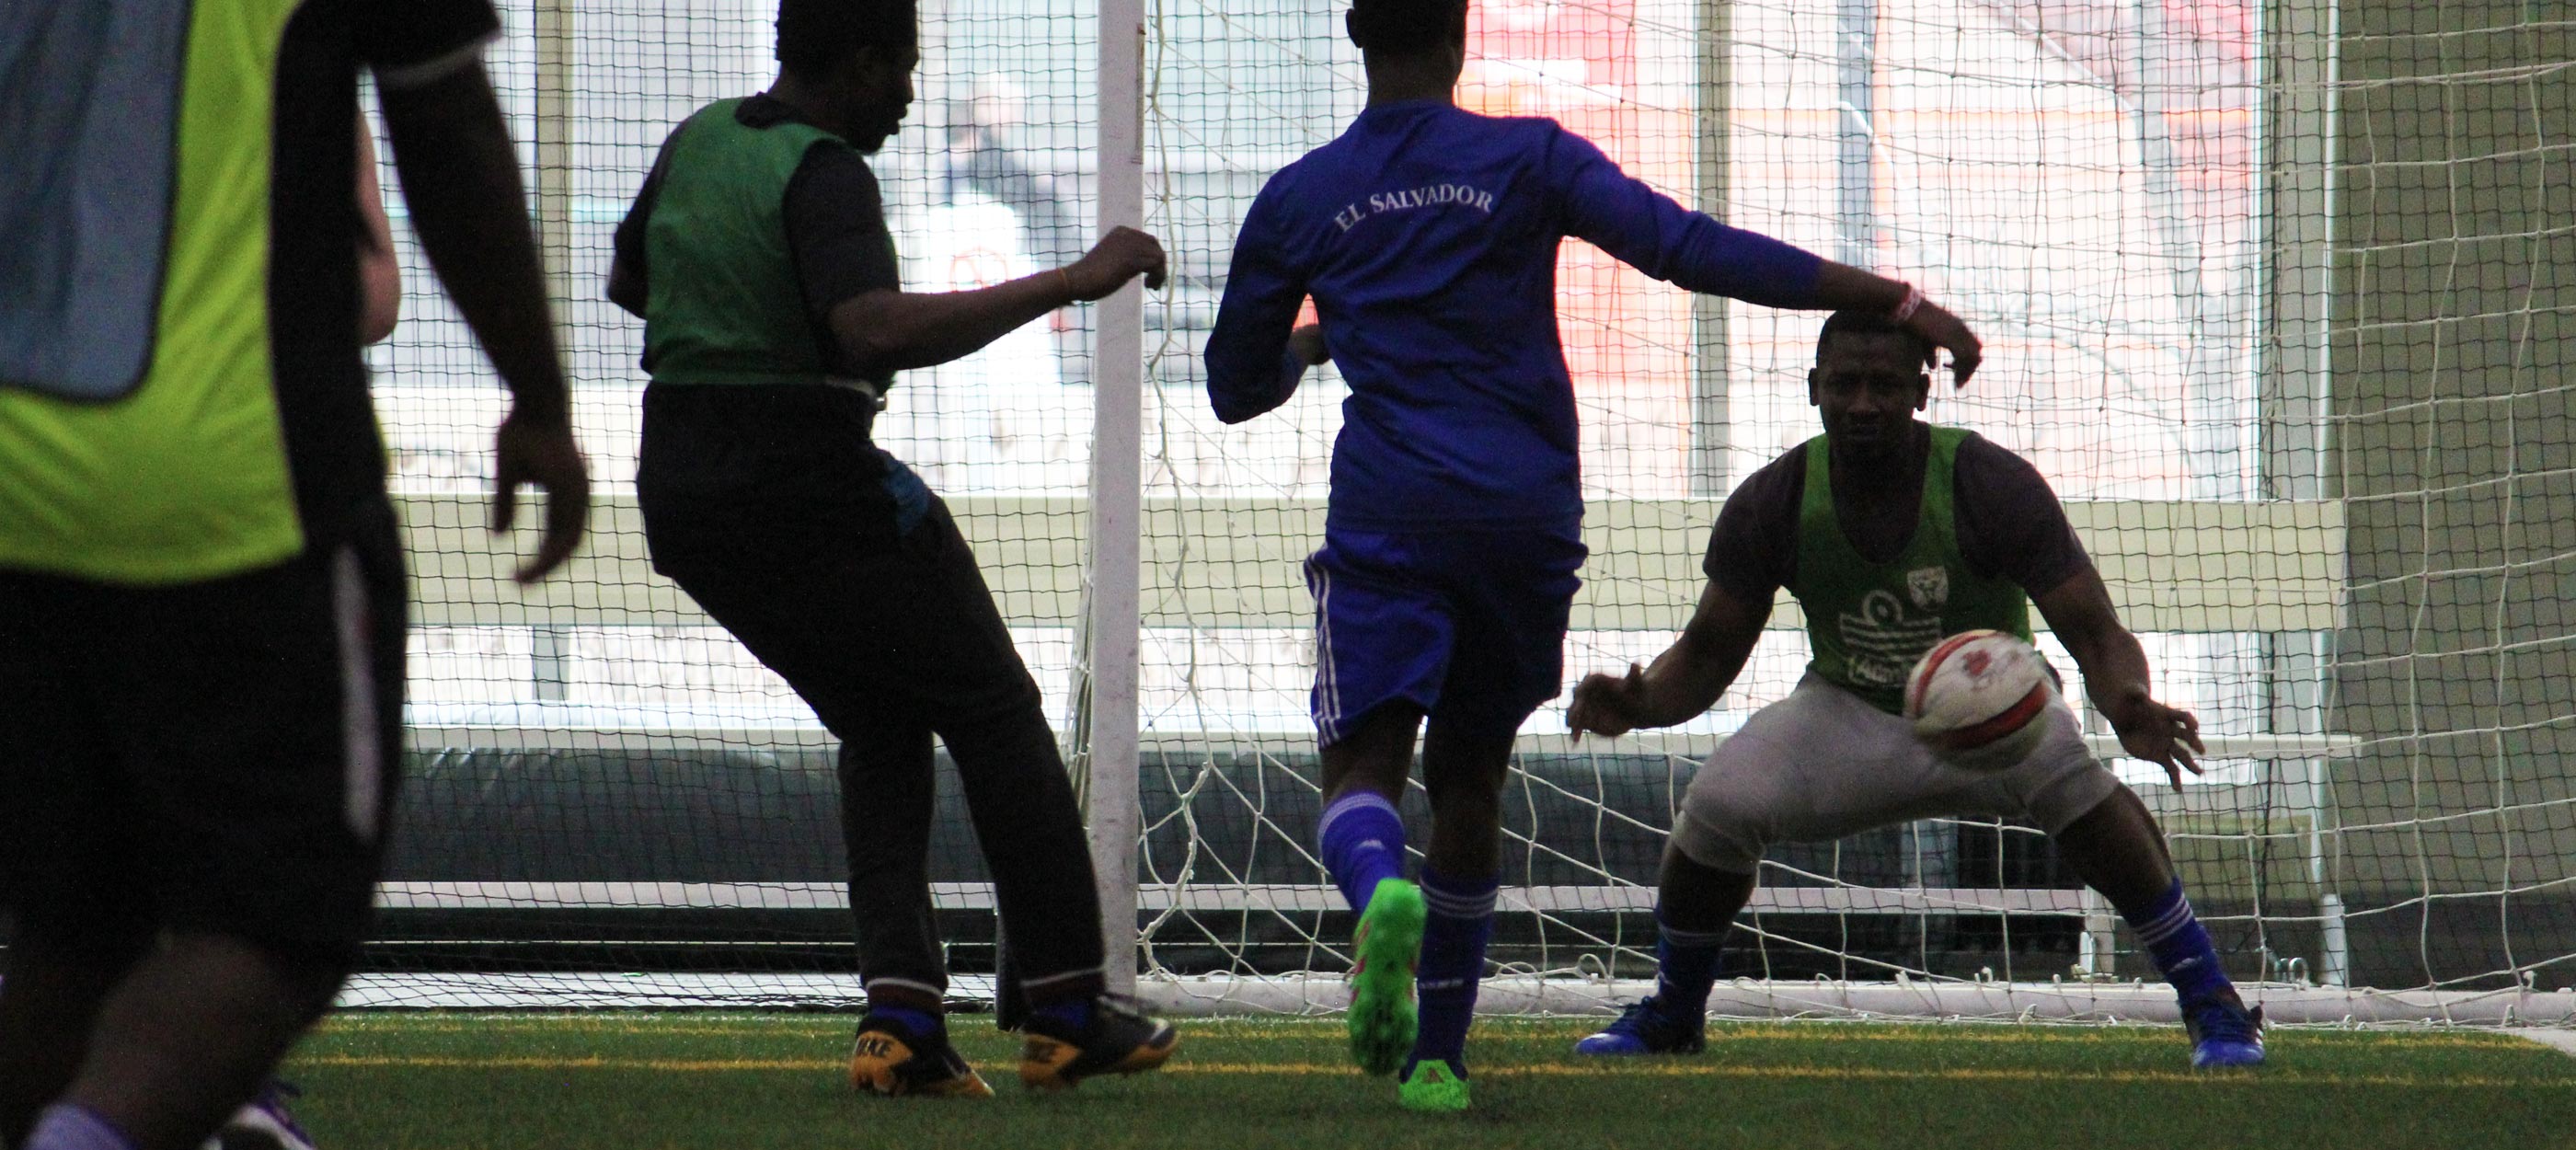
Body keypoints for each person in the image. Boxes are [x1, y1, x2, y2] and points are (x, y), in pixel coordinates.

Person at [1202, 0, 1982, 1113]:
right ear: (1459, 34)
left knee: (1361, 769)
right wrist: (1890, 298)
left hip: (1393, 513)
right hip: (1524, 514)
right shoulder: (1527, 157)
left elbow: (1236, 390)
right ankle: (1436, 1057)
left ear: (1355, 31)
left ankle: (1377, 891)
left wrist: (1318, 341)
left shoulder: (1299, 196)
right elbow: (1690, 250)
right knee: (1471, 778)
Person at [0, 3, 592, 1149]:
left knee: (74, 936)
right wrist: (539, 394)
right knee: (275, 929)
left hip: (18, 484)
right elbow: (448, 122)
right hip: (228, 490)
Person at [604, 0, 1178, 1098]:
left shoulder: (700, 137)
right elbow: (869, 329)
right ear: (862, 62)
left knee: (879, 718)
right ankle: (1066, 1005)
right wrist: (1070, 279)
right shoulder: (828, 173)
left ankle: (902, 1017)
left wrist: (740, 309)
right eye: (903, 70)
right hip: (806, 479)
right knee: (997, 708)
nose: (912, 98)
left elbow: (635, 281)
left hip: (682, 492)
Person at [1561, 309, 2265, 1070]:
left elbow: (2096, 631)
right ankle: (1674, 1014)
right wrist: (1639, 704)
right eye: (1846, 384)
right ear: (1814, 390)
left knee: (2077, 784)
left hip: (2001, 719)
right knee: (1720, 806)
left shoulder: (1987, 483)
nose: (1864, 403)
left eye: (1886, 385)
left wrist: (2127, 702)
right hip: (1850, 711)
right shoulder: (1777, 497)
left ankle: (2214, 1007)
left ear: (1921, 391)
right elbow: (1706, 654)